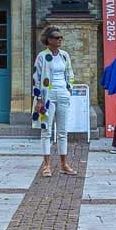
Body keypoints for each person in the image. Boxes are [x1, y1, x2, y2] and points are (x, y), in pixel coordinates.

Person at [32, 26, 77, 177]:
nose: (59, 40)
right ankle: (46, 166)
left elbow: (69, 72)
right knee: (46, 130)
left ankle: (64, 164)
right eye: (56, 38)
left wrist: (69, 88)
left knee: (63, 131)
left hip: (63, 94)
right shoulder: (42, 56)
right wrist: (39, 98)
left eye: (60, 38)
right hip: (47, 96)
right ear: (48, 40)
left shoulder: (64, 55)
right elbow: (36, 78)